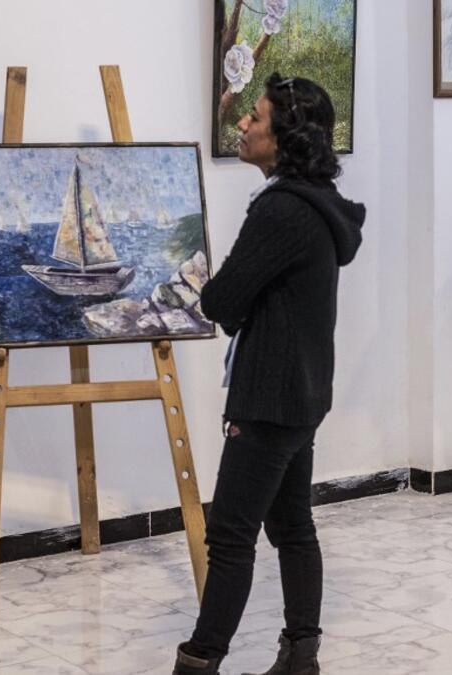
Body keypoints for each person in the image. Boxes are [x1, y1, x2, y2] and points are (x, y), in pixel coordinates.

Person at [172, 73, 365, 675]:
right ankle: (300, 656)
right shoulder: (315, 205)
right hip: (301, 392)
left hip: (268, 398)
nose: (244, 125)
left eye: (255, 117)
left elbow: (223, 300)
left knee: (230, 536)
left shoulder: (282, 209)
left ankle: (200, 661)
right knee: (291, 526)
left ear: (284, 136)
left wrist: (199, 284)